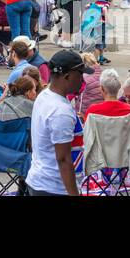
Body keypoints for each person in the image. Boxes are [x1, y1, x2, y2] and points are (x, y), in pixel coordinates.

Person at [24, 49, 88, 196]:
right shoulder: (60, 111)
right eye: (80, 75)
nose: (82, 80)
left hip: (40, 180)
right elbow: (63, 159)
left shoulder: (45, 96)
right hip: (54, 188)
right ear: (67, 76)